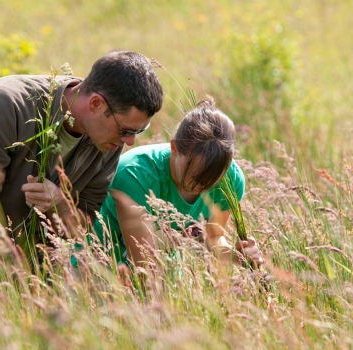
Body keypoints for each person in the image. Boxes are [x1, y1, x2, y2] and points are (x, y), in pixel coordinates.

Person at [0, 50, 163, 264]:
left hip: (24, 265)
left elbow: (85, 228)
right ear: (96, 104)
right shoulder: (8, 104)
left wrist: (60, 206)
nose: (129, 142)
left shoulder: (109, 139)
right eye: (126, 130)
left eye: (138, 131)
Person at [90, 98, 263, 276]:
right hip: (97, 268)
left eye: (213, 179)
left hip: (164, 270)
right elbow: (143, 260)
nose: (202, 186)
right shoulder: (136, 174)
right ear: (174, 147)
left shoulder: (231, 180)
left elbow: (212, 236)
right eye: (195, 175)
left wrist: (237, 256)